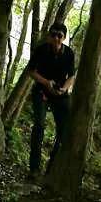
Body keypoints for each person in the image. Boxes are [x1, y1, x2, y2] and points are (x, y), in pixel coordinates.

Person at [27, 22, 75, 178]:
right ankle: (34, 169)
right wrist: (46, 83)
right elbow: (31, 72)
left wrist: (64, 88)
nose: (56, 38)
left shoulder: (69, 54)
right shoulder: (41, 50)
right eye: (53, 35)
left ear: (64, 38)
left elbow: (71, 76)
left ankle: (52, 169)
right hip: (41, 91)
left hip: (60, 93)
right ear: (49, 36)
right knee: (39, 126)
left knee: (65, 130)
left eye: (59, 35)